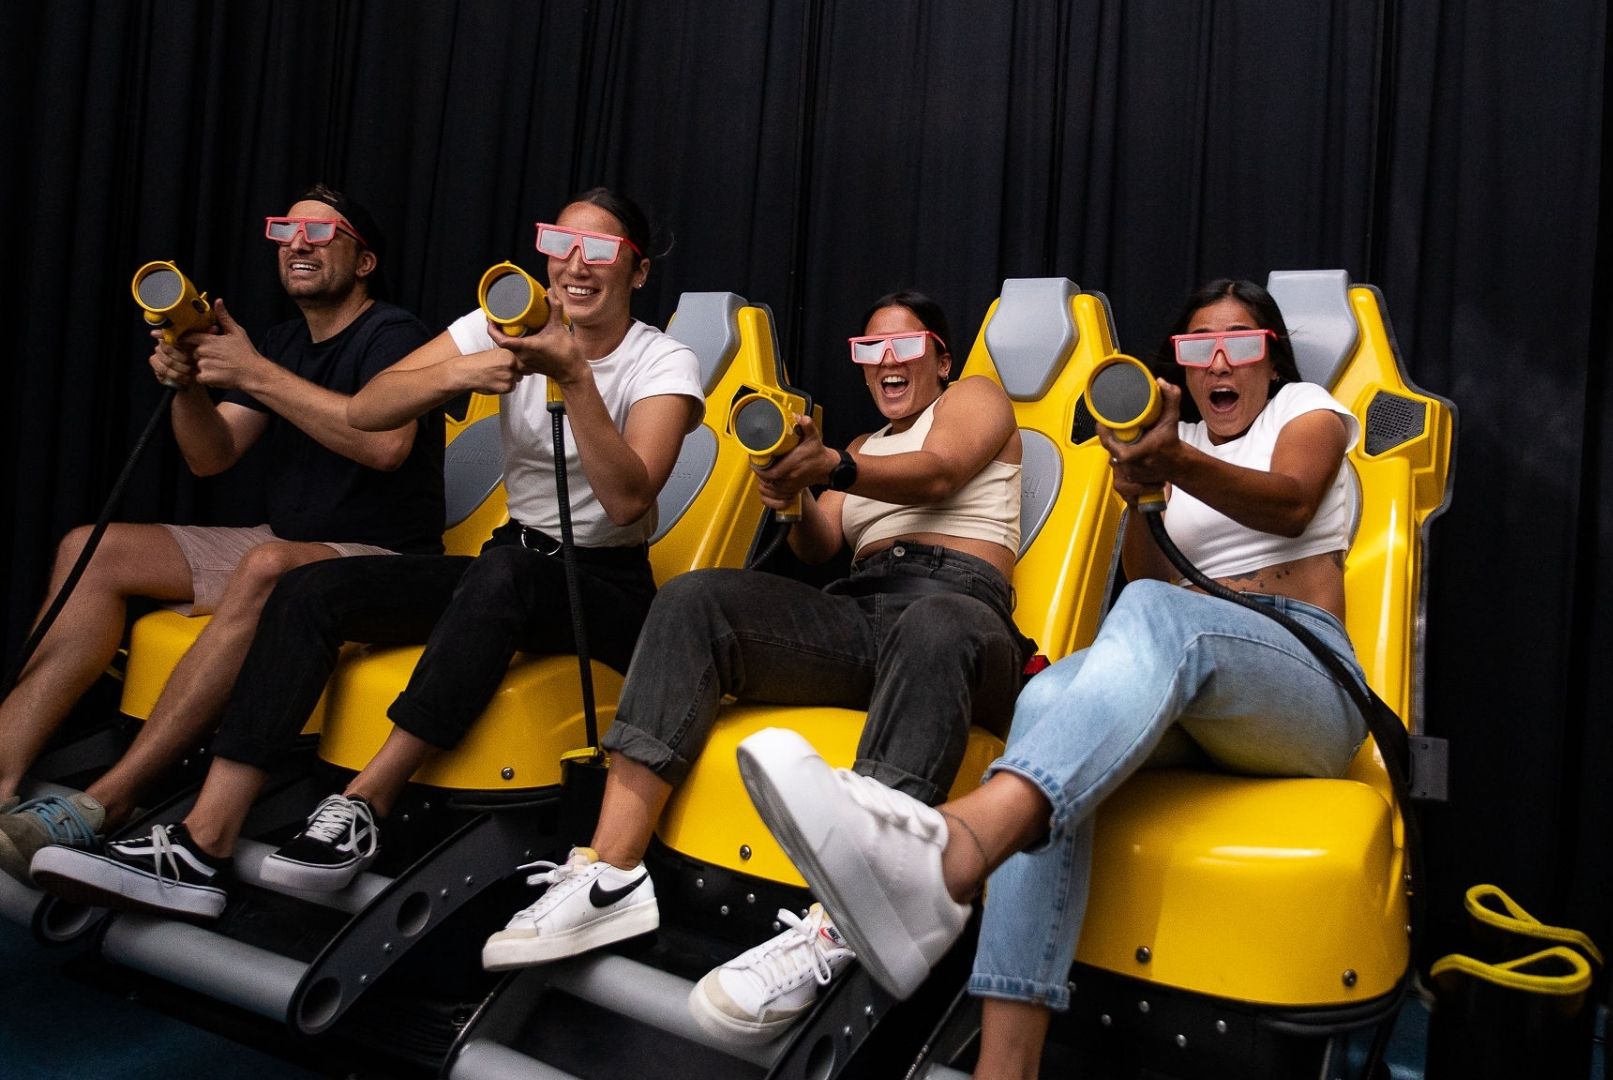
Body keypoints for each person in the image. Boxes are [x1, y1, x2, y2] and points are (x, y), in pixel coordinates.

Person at [737, 278, 1370, 1076]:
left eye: (1239, 343)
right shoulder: (1171, 447)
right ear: (1177, 363)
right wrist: (1143, 496)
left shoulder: (1303, 409)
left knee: (1152, 616)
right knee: (1045, 701)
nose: (1218, 361)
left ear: (1271, 360)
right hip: (1202, 693)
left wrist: (1174, 461)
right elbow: (1155, 580)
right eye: (1198, 344)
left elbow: (1290, 503)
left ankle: (955, 851)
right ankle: (1007, 1066)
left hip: (1306, 679)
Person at [31, 188, 702, 921]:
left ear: (637, 271)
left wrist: (573, 377)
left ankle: (363, 804)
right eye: (558, 244)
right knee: (311, 587)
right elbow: (370, 408)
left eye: (600, 250)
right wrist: (458, 373)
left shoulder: (663, 360)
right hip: (508, 565)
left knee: (505, 571)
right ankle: (204, 838)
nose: (575, 265)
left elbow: (628, 500)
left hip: (602, 589)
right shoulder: (504, 324)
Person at [475, 291, 1030, 1043]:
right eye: (869, 350)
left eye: (905, 346)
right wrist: (792, 496)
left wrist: (831, 465)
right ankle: (608, 873)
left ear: (942, 358)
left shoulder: (975, 399)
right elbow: (820, 547)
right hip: (863, 610)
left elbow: (937, 473)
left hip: (961, 614)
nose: (887, 361)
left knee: (933, 626)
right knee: (696, 600)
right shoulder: (864, 445)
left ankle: (846, 919)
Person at [0, 186, 439, 883]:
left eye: (321, 231)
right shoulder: (283, 341)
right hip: (282, 538)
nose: (298, 242)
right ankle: (2, 778)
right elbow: (213, 455)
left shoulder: (394, 333)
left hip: (378, 556)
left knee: (266, 563)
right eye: (286, 230)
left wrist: (256, 372)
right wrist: (190, 386)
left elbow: (386, 445)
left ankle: (107, 800)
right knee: (93, 546)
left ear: (364, 262)